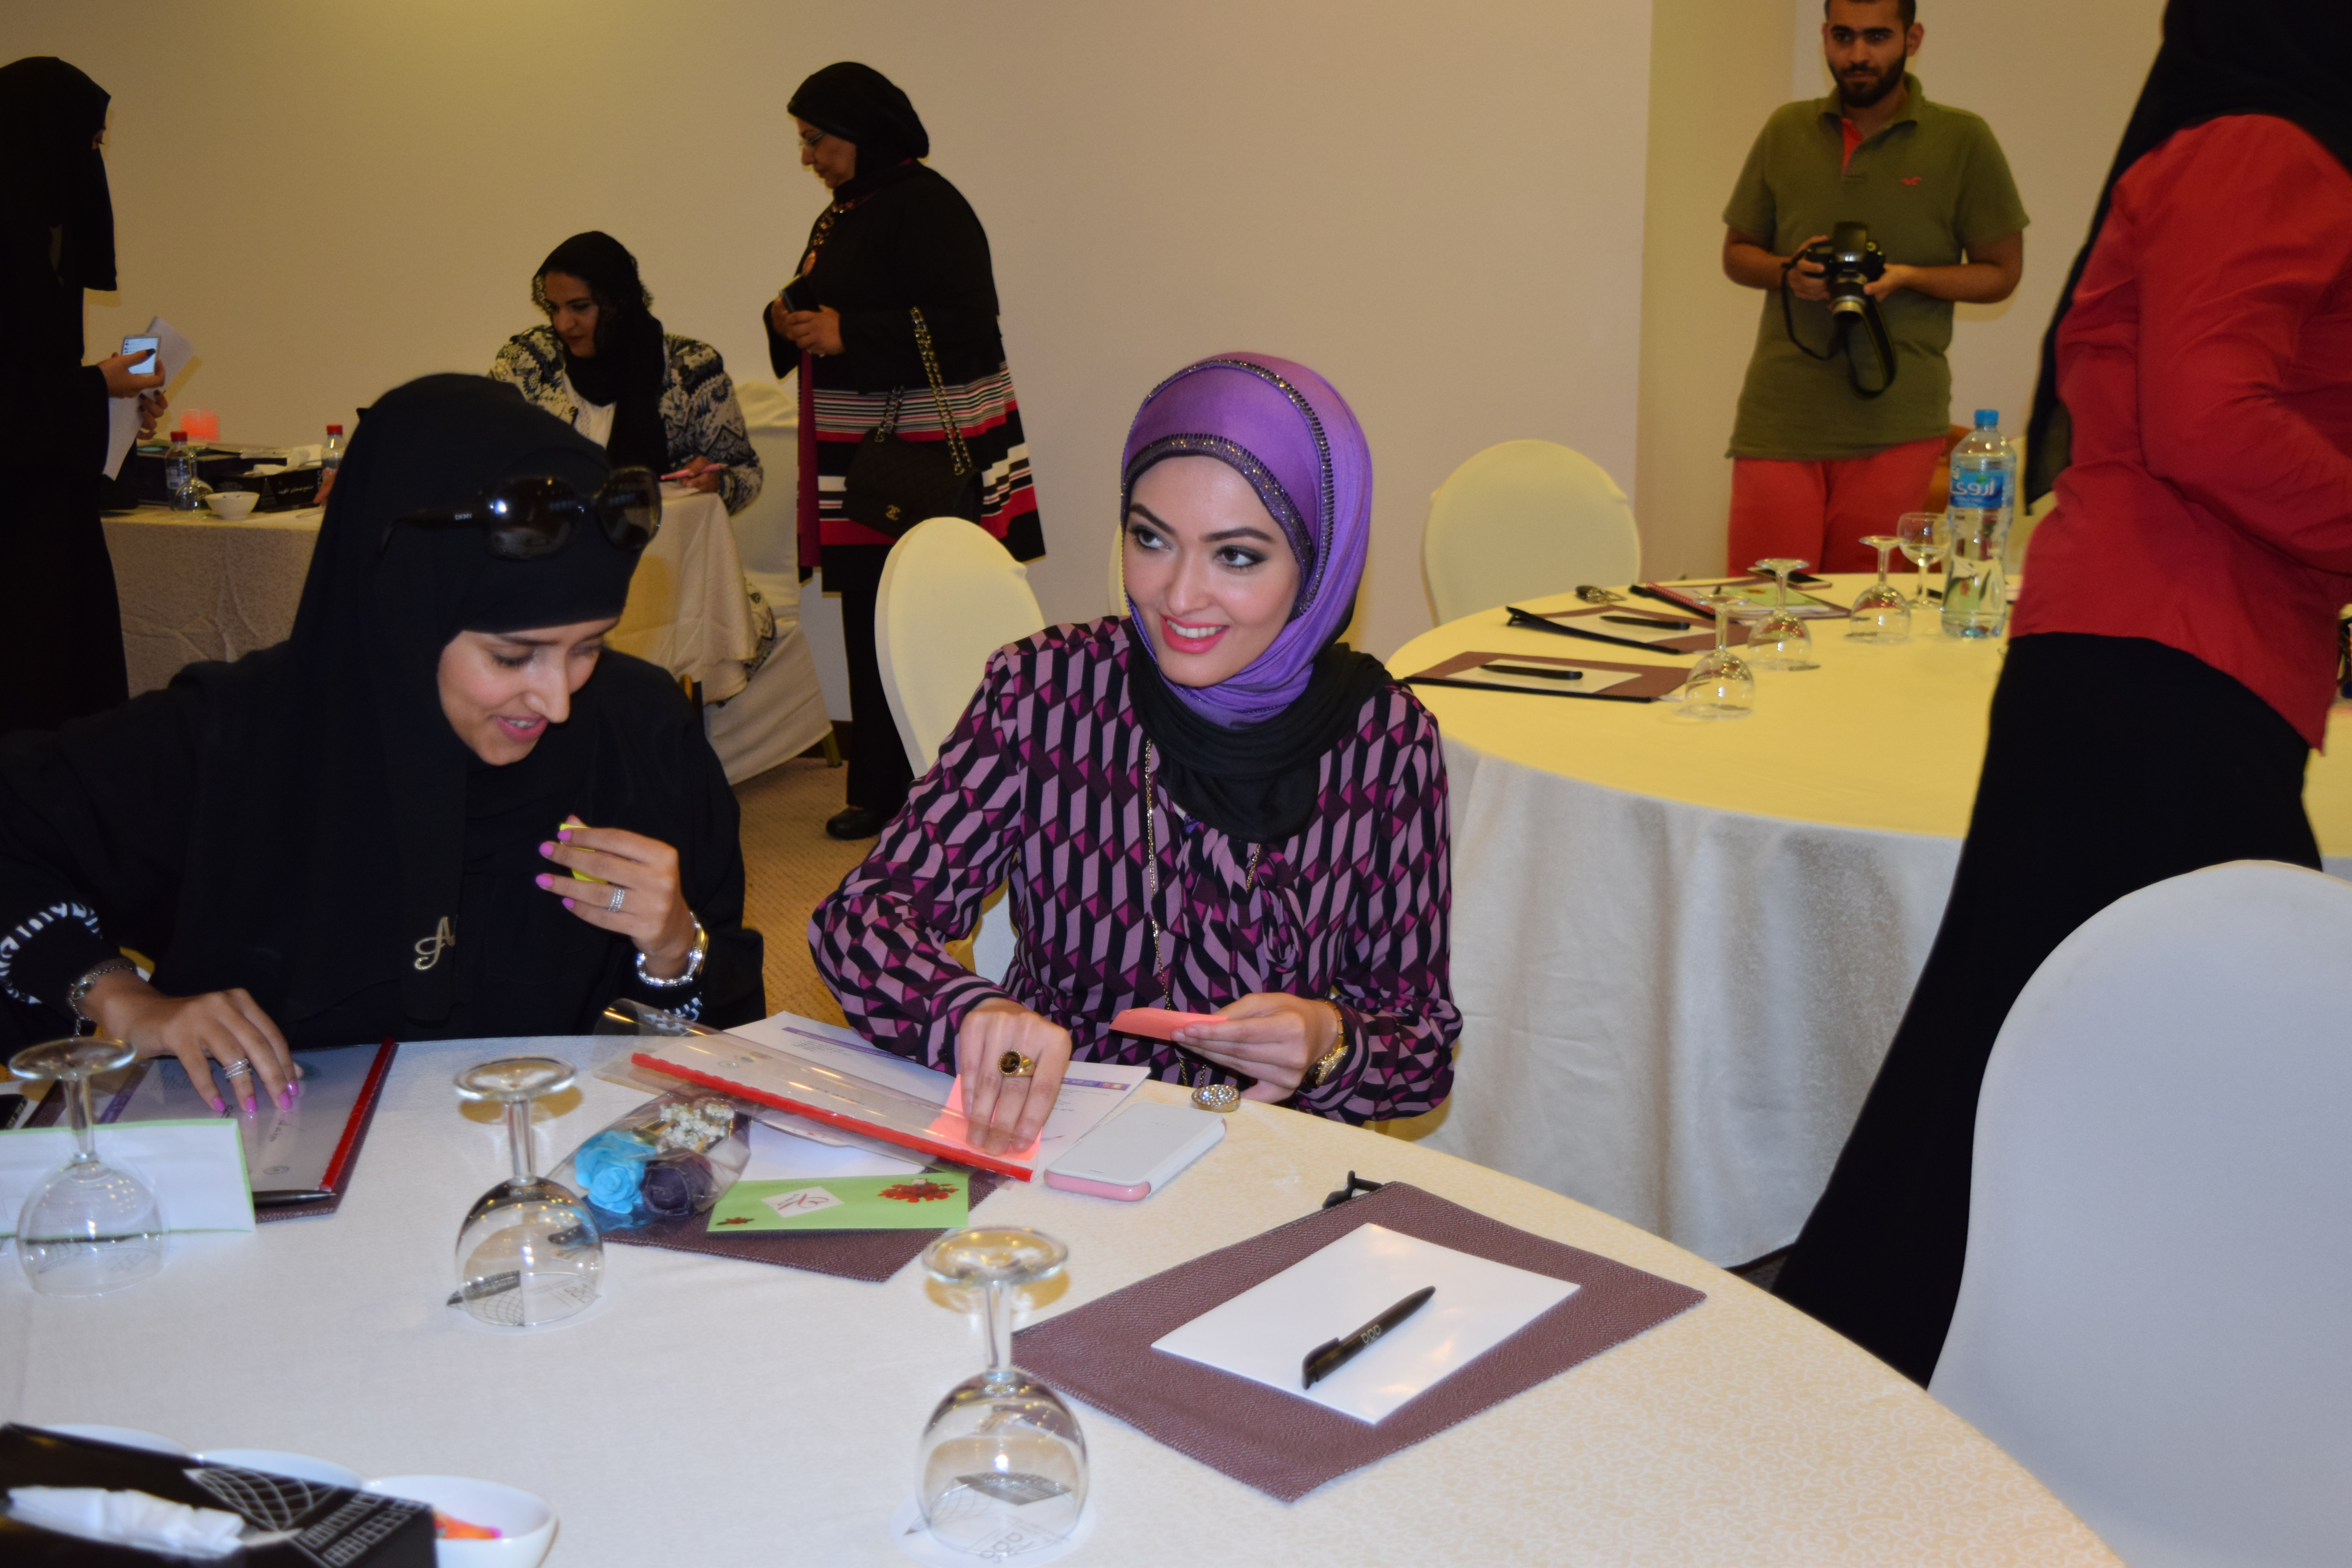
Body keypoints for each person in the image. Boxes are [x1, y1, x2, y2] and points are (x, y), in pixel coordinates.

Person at [1775, 0, 2352, 1384]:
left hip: (2146, 658)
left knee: (2006, 1057)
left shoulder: (2234, 143)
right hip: (2170, 668)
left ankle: (1876, 1383)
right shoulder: (2266, 149)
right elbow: (2208, 419)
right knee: (2224, 1052)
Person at [0, 375, 765, 1104]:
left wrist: (677, 948)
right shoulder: (236, 738)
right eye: (512, 656)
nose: (558, 700)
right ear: (402, 614)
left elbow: (726, 1043)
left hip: (565, 1169)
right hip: (286, 1168)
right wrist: (119, 995)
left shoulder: (641, 732)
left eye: (589, 646)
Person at [811, 353, 1459, 1152]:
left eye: (1238, 555)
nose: (1178, 596)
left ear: (1320, 562)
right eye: (1151, 539)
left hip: (1269, 1152)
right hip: (1067, 1127)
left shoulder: (1385, 741)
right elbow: (860, 921)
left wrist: (1330, 1041)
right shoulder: (1048, 692)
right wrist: (971, 1013)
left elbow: (1422, 1046)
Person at [764, 62, 1043, 842]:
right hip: (866, 462)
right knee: (870, 616)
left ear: (862, 132)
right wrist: (788, 319)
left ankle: (965, 793)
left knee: (932, 615)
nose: (808, 158)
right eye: (804, 141)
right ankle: (881, 790)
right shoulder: (844, 212)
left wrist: (850, 333)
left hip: (921, 460)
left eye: (817, 140)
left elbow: (968, 323)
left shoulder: (930, 206)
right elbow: (831, 293)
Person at [1720, 0, 2026, 575]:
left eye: (1878, 37)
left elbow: (2001, 272)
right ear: (1824, 37)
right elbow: (1737, 253)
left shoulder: (1963, 139)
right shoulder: (1786, 129)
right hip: (1780, 415)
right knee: (1761, 604)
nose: (1858, 54)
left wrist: (1908, 277)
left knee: (1866, 607)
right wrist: (1790, 272)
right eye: (1844, 37)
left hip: (1897, 419)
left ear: (1913, 38)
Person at [0, 57, 166, 735]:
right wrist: (96, 384)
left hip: (48, 523)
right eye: (89, 143)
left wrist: (114, 403)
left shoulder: (41, 244)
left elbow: (39, 387)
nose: (93, 163)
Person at [492, 231, 763, 517]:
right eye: (554, 308)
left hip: (662, 539)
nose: (563, 324)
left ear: (617, 303)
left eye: (580, 307)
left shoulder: (691, 368)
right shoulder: (529, 360)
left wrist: (717, 483)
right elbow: (485, 450)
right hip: (551, 537)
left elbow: (747, 475)